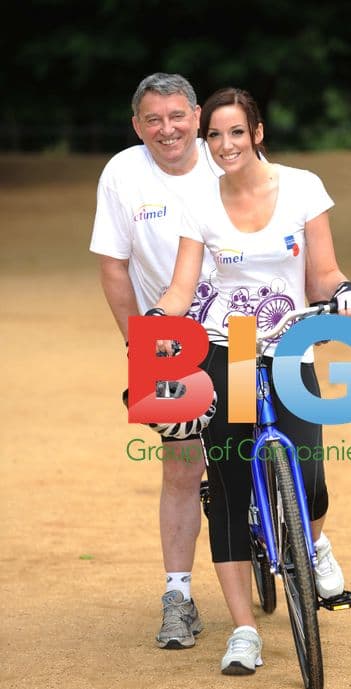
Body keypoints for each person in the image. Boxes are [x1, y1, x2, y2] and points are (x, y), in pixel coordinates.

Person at [153, 86, 351, 675]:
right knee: (228, 486)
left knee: (313, 474)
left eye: (235, 133)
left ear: (257, 133)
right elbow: (180, 287)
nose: (225, 145)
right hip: (233, 344)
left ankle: (309, 540)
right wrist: (159, 318)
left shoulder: (302, 187)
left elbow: (322, 272)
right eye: (214, 135)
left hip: (291, 337)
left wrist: (342, 291)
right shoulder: (198, 203)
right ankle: (244, 630)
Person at [89, 73, 224, 650]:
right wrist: (137, 344)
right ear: (137, 125)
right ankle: (179, 598)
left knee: (247, 449)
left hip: (241, 331)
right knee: (181, 467)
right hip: (166, 338)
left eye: (176, 116)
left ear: (196, 115)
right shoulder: (122, 173)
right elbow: (114, 266)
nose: (166, 129)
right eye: (153, 119)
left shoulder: (230, 158)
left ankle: (286, 538)